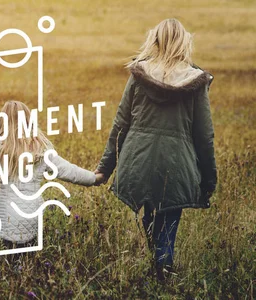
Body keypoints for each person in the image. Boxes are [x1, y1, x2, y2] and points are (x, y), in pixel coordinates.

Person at [95, 19, 217, 280]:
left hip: (139, 162)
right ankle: (162, 271)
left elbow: (121, 123)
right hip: (177, 166)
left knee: (150, 215)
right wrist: (209, 178)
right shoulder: (195, 81)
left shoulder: (139, 75)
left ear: (155, 41)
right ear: (185, 42)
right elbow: (204, 136)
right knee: (168, 222)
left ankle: (158, 269)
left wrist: (105, 168)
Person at [0, 101, 100, 247]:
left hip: (8, 217)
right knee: (29, 259)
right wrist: (93, 178)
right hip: (33, 215)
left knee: (10, 263)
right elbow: (69, 171)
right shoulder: (41, 149)